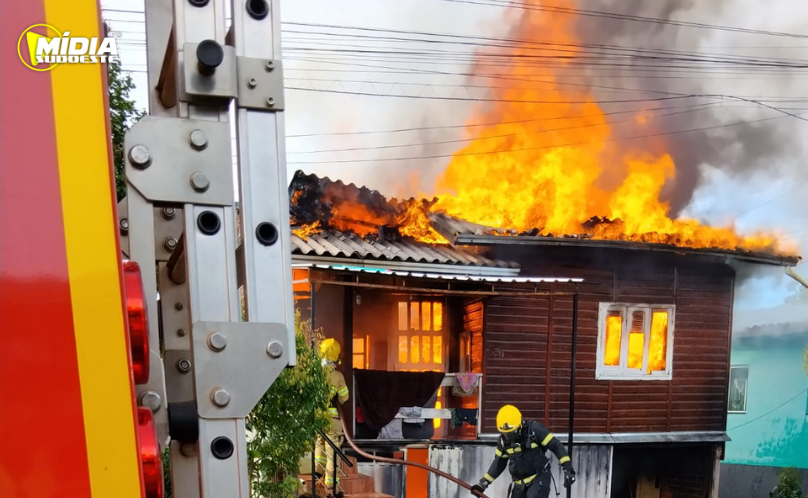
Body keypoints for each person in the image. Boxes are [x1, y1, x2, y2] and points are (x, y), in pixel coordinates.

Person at [471, 405, 576, 498]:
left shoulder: (535, 430)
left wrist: (568, 468)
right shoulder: (503, 441)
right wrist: (483, 483)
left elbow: (556, 446)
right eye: (506, 433)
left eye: (512, 432)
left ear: (520, 424)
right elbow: (498, 463)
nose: (509, 436)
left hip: (538, 478)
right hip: (519, 484)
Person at [315, 338, 350, 497]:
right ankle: (331, 488)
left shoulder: (314, 373)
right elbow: (344, 398)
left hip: (317, 419)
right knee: (332, 453)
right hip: (333, 422)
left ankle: (316, 479)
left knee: (319, 449)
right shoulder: (337, 376)